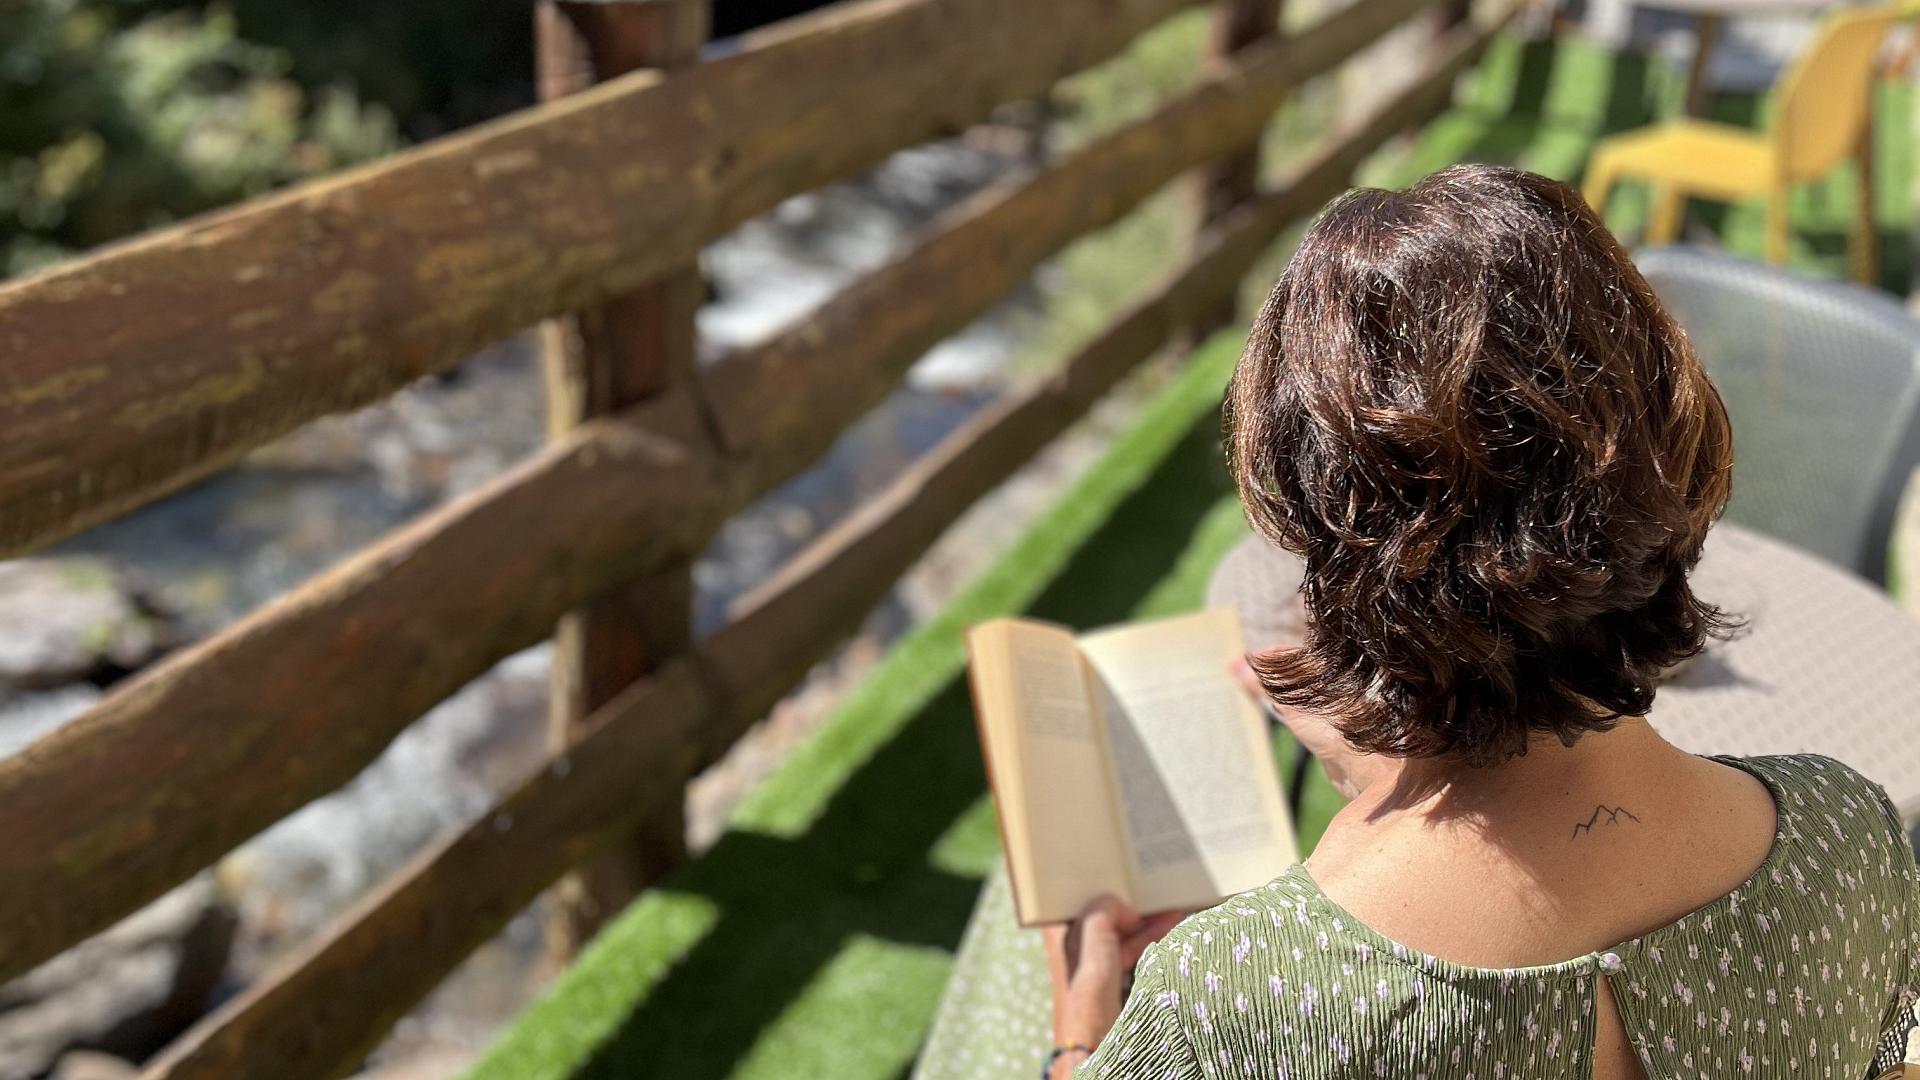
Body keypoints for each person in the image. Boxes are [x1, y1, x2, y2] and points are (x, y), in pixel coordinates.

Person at [1040, 164, 1920, 1079]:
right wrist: (1387, 771)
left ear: (1322, 527)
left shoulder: (1237, 1001)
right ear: (1669, 445)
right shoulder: (1845, 841)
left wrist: (1080, 1032)